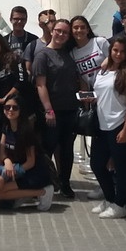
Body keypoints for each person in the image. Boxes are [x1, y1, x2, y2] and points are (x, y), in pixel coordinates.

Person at [90, 38, 126, 219]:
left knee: (121, 166)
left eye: (122, 51)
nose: (118, 54)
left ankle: (120, 204)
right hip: (101, 124)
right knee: (97, 164)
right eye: (115, 50)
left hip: (119, 124)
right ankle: (111, 198)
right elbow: (102, 94)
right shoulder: (103, 70)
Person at [32, 18, 80, 198]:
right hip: (53, 111)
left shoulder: (68, 53)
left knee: (67, 149)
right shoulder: (42, 55)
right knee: (48, 148)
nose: (61, 34)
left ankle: (65, 182)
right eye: (58, 31)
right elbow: (40, 85)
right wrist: (48, 110)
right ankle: (42, 182)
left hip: (70, 109)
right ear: (52, 31)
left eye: (65, 32)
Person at [0, 95, 54, 210]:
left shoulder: (26, 131)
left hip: (33, 172)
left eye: (15, 108)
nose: (10, 110)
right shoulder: (6, 127)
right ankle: (23, 195)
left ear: (21, 110)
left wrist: (14, 171)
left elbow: (31, 162)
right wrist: (7, 162)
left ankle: (43, 192)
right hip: (17, 167)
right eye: (7, 107)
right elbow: (2, 153)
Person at [70, 15, 109, 90]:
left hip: (110, 87)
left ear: (87, 30)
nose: (79, 30)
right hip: (94, 91)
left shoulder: (100, 42)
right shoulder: (72, 54)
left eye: (82, 27)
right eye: (76, 28)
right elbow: (82, 78)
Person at [23, 9, 56, 74]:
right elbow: (28, 70)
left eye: (53, 21)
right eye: (47, 22)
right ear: (41, 24)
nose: (51, 24)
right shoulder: (32, 46)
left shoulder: (62, 43)